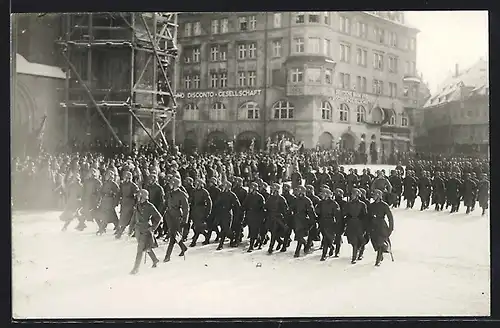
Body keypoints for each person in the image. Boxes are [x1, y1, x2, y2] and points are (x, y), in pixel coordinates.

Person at [129, 189, 162, 275]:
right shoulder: (137, 205)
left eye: (139, 196)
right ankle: (155, 260)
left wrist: (153, 228)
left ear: (143, 196)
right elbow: (133, 217)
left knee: (140, 249)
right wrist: (130, 228)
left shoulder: (150, 206)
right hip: (138, 229)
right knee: (145, 247)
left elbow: (159, 217)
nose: (137, 197)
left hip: (145, 230)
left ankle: (135, 268)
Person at [163, 177, 189, 262]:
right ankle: (183, 247)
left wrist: (185, 221)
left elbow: (186, 208)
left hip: (177, 216)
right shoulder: (170, 193)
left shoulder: (181, 194)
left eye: (171, 184)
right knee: (174, 235)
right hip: (169, 216)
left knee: (173, 237)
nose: (169, 185)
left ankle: (167, 256)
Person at [368, 189, 394, 267]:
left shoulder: (384, 205)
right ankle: (380, 254)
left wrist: (390, 228)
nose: (373, 196)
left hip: (381, 225)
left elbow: (390, 217)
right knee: (374, 242)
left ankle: (378, 260)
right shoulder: (371, 205)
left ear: (379, 195)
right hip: (373, 226)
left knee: (380, 243)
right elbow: (368, 216)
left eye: (375, 195)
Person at [344, 188, 368, 264]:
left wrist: (365, 226)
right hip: (351, 224)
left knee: (361, 240)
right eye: (351, 194)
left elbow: (365, 216)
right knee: (353, 241)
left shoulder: (362, 204)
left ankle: (359, 254)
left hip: (359, 224)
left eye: (353, 194)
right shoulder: (348, 204)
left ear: (357, 195)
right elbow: (345, 213)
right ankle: (355, 255)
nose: (352, 196)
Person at [316, 188, 340, 261]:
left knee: (327, 238)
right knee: (326, 237)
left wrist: (337, 224)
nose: (321, 195)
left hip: (330, 223)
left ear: (326, 194)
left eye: (323, 194)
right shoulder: (320, 203)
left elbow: (337, 214)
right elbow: (317, 211)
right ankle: (332, 247)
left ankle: (324, 254)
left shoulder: (334, 203)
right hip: (322, 222)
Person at [264, 183, 289, 254]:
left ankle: (271, 247)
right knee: (273, 232)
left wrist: (285, 221)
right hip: (270, 217)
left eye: (275, 190)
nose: (274, 192)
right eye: (273, 190)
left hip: (278, 218)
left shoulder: (281, 199)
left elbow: (285, 210)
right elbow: (266, 206)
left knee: (274, 233)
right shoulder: (270, 198)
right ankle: (280, 242)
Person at [115, 171, 139, 239]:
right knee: (124, 217)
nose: (127, 179)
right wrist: (117, 200)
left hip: (130, 203)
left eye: (128, 178)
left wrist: (135, 202)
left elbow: (137, 193)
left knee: (128, 218)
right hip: (124, 202)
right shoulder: (122, 184)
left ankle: (120, 233)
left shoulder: (133, 185)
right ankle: (131, 231)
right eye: (126, 177)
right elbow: (119, 193)